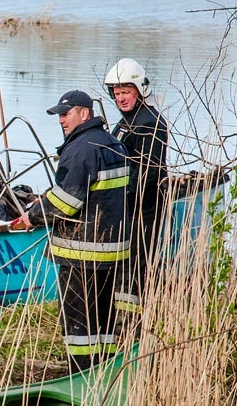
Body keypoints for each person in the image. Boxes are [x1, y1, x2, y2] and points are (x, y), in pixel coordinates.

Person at [16, 91, 130, 373]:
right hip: (112, 253)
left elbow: (65, 202)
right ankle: (105, 372)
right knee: (103, 324)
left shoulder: (80, 149)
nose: (61, 121)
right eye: (59, 116)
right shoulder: (114, 144)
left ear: (85, 114)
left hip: (82, 254)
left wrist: (33, 215)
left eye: (66, 114)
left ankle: (80, 376)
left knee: (79, 326)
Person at [104, 58, 169, 326]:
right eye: (117, 93)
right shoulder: (127, 121)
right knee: (124, 265)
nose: (121, 98)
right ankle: (121, 322)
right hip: (126, 209)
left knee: (136, 266)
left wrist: (119, 198)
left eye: (126, 92)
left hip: (143, 209)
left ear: (140, 90)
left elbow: (148, 173)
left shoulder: (150, 123)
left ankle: (134, 325)